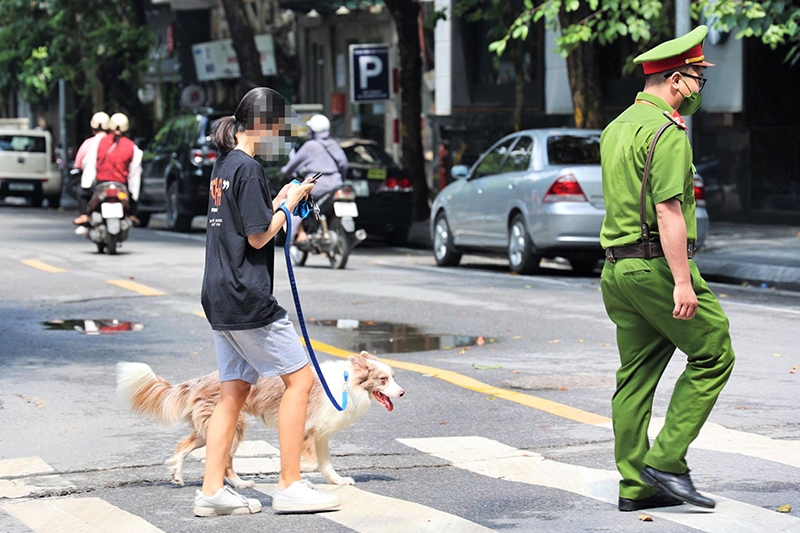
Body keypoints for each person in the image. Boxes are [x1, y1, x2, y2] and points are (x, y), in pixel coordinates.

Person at [599, 25, 735, 513]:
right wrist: (682, 280)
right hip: (655, 266)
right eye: (698, 79)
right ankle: (667, 462)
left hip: (616, 271)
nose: (700, 89)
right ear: (678, 79)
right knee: (714, 352)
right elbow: (668, 211)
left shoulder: (617, 127)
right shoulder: (668, 131)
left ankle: (636, 486)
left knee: (634, 377)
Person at [195, 87, 341, 517]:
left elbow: (247, 221)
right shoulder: (250, 167)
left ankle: (211, 491)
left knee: (233, 392)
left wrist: (278, 202)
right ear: (261, 126)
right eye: (278, 129)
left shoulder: (225, 165)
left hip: (218, 295)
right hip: (247, 296)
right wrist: (291, 204)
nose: (281, 138)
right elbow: (260, 235)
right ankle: (290, 484)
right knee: (301, 381)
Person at [280, 114, 348, 242]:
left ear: (312, 130)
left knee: (296, 202)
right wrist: (342, 179)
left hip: (318, 185)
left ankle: (297, 235)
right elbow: (344, 164)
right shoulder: (333, 144)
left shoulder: (310, 146)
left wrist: (285, 171)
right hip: (337, 184)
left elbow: (293, 165)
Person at [76, 113, 142, 226]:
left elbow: (89, 163)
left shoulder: (98, 142)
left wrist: (87, 183)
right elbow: (134, 173)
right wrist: (134, 195)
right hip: (122, 184)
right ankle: (132, 215)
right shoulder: (132, 146)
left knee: (81, 191)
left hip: (102, 183)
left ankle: (84, 216)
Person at [72, 112, 109, 225]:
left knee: (81, 193)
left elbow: (77, 164)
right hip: (113, 180)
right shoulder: (113, 143)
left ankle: (84, 215)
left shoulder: (88, 143)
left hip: (92, 183)